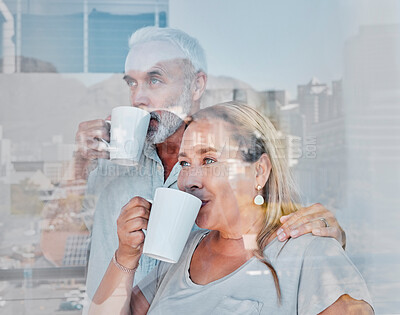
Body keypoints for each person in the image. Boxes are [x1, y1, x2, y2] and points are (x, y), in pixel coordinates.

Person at [74, 27, 346, 301]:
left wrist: (323, 237)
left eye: (154, 80)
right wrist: (78, 166)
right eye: (131, 83)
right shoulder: (104, 164)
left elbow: (289, 225)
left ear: (196, 85)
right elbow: (55, 250)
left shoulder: (239, 167)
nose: (137, 98)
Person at [89, 102, 373, 314]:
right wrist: (126, 256)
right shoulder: (182, 252)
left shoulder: (310, 251)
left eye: (209, 160)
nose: (190, 180)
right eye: (185, 164)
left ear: (259, 171)